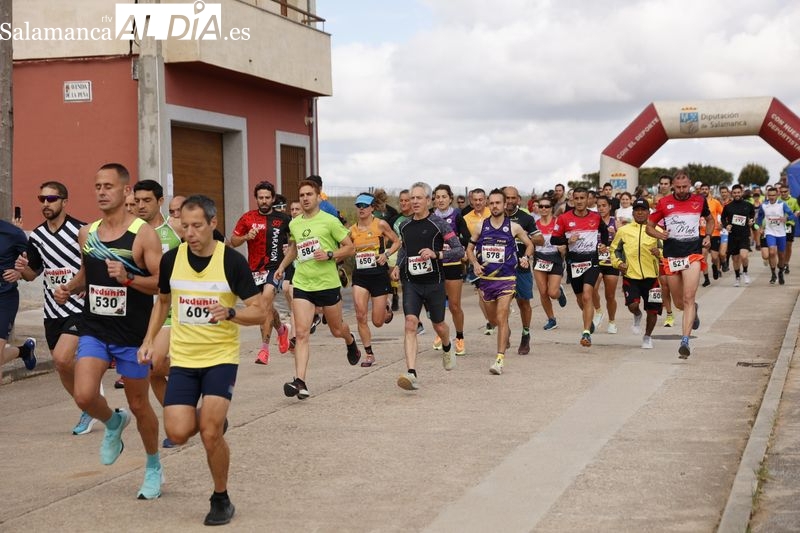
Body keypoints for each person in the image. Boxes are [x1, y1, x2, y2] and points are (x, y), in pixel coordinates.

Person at [137, 194, 264, 526]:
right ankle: (212, 419)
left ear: (212, 224)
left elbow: (260, 311)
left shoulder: (231, 262)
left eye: (196, 226)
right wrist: (149, 339)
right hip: (184, 359)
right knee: (177, 433)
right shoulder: (171, 260)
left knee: (209, 434)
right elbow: (162, 302)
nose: (189, 232)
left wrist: (232, 312)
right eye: (184, 226)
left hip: (221, 358)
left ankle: (220, 497)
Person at [53, 162, 164, 499]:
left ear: (125, 191)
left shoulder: (143, 234)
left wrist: (129, 278)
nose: (101, 192)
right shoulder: (88, 233)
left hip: (132, 334)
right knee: (85, 395)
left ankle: (153, 466)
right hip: (96, 327)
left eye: (108, 186)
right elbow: (88, 272)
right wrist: (71, 288)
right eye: (97, 186)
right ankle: (114, 422)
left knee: (140, 406)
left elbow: (161, 284)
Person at [15, 181, 92, 433]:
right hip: (52, 311)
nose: (46, 204)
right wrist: (21, 268)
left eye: (51, 199)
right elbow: (32, 274)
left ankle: (89, 396)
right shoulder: (36, 236)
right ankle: (88, 405)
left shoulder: (81, 230)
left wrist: (74, 288)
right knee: (61, 365)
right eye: (42, 199)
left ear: (64, 201)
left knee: (61, 356)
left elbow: (90, 266)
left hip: (79, 305)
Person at [275, 179, 360, 400]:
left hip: (327, 284)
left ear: (317, 196)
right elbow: (294, 248)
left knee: (336, 329)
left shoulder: (330, 221)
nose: (304, 198)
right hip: (303, 283)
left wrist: (330, 254)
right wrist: (282, 267)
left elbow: (350, 247)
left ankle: (350, 341)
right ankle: (300, 382)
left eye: (308, 194)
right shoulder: (295, 223)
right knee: (301, 333)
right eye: (301, 195)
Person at [391, 182, 465, 390]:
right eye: (411, 198)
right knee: (410, 323)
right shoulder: (404, 225)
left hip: (434, 282)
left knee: (438, 324)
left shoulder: (438, 224)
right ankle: (411, 372)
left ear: (428, 200)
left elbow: (460, 251)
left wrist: (438, 254)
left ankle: (447, 345)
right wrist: (397, 266)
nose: (414, 201)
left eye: (418, 198)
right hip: (411, 282)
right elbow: (404, 249)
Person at [133, 179, 183, 447]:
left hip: (171, 308)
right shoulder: (131, 232)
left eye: (147, 201)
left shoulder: (174, 229)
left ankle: (176, 423)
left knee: (153, 363)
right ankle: (183, 415)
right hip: (141, 310)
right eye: (137, 201)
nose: (141, 206)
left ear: (161, 202)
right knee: (152, 370)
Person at [646, 170, 713, 358]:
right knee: (678, 303)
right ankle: (693, 310)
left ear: (690, 184)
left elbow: (709, 219)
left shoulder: (699, 200)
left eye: (685, 186)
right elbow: (649, 227)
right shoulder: (664, 203)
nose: (682, 190)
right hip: (672, 257)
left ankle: (685, 341)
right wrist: (660, 234)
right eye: (678, 187)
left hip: (692, 255)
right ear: (673, 186)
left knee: (688, 297)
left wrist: (707, 235)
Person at [467, 189, 533, 374]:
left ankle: (499, 360)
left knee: (502, 315)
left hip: (507, 279)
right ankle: (506, 333)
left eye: (498, 203)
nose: (495, 206)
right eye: (492, 203)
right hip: (487, 280)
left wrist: (526, 257)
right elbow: (469, 249)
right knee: (494, 320)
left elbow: (529, 244)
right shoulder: (481, 227)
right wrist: (474, 264)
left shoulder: (514, 227)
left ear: (505, 205)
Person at [229, 181, 291, 365]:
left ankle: (264, 351)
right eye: (260, 198)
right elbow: (233, 241)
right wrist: (246, 237)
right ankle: (281, 331)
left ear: (272, 198)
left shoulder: (284, 219)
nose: (264, 201)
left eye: (267, 198)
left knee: (264, 303)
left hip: (275, 268)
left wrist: (289, 250)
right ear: (256, 198)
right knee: (265, 308)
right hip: (254, 270)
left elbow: (295, 239)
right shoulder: (247, 218)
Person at [550, 187, 609, 347]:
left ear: (588, 199)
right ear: (573, 200)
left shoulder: (595, 217)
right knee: (579, 298)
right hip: (573, 262)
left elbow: (604, 232)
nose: (580, 201)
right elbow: (554, 240)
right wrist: (568, 240)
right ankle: (588, 321)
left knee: (587, 295)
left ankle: (586, 333)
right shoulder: (563, 218)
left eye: (583, 198)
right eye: (577, 198)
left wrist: (603, 244)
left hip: (592, 260)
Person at [348, 193, 400, 367]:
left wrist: (386, 254)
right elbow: (346, 249)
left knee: (377, 322)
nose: (361, 209)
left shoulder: (381, 224)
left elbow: (396, 242)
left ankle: (386, 307)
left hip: (378, 275)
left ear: (372, 208)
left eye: (365, 205)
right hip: (360, 276)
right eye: (358, 206)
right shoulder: (352, 230)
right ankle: (369, 354)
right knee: (360, 315)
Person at [610, 198, 663, 348]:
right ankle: (637, 315)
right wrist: (619, 263)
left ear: (648, 212)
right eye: (637, 210)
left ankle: (647, 337)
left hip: (652, 277)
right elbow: (614, 250)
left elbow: (668, 251)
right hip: (631, 275)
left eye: (643, 210)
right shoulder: (623, 231)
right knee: (633, 305)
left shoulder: (657, 231)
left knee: (652, 311)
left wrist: (658, 252)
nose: (640, 212)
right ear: (633, 212)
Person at [503, 186, 543, 354]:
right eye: (507, 198)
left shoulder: (525, 218)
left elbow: (540, 240)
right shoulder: (495, 215)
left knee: (523, 303)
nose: (510, 201)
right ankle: (505, 331)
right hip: (501, 268)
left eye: (513, 198)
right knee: (502, 304)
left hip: (521, 266)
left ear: (518, 199)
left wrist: (524, 236)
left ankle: (525, 335)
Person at [432, 184, 471, 355]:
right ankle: (441, 333)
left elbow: (467, 238)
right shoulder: (431, 217)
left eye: (443, 197)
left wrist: (454, 244)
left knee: (454, 305)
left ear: (450, 198)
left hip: (453, 263)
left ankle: (460, 337)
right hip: (435, 265)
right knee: (437, 304)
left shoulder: (457, 215)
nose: (440, 200)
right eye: (437, 197)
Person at [0, 217, 37, 382]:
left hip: (4, 299)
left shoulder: (13, 233)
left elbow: (35, 266)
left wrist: (19, 273)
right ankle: (24, 351)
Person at [531, 195, 568, 331]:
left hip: (555, 258)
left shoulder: (558, 222)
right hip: (540, 258)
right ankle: (551, 319)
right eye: (541, 206)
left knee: (552, 292)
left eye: (547, 206)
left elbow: (566, 239)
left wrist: (563, 246)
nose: (544, 209)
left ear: (552, 208)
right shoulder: (534, 224)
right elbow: (529, 240)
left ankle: (559, 293)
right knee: (543, 292)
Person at [462, 188, 494, 334]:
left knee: (496, 291)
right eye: (475, 200)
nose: (478, 202)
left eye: (480, 199)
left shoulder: (493, 212)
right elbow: (466, 241)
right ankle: (490, 321)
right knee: (482, 292)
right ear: (471, 201)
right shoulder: (466, 218)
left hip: (496, 257)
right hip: (477, 258)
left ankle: (498, 314)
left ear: (485, 200)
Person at [754, 186, 796, 285]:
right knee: (772, 252)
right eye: (770, 195)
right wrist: (760, 227)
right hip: (770, 232)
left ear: (777, 195)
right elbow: (760, 217)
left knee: (781, 255)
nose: (772, 197)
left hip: (781, 233)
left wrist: (786, 218)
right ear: (767, 195)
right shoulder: (764, 205)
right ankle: (773, 274)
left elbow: (792, 215)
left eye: (773, 195)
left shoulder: (782, 204)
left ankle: (780, 271)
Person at [721, 184, 756, 286]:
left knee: (744, 256)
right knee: (735, 259)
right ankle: (737, 277)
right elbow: (723, 218)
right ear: (732, 193)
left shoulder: (748, 205)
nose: (736, 194)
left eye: (738, 192)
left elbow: (752, 215)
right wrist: (726, 225)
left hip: (744, 234)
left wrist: (751, 221)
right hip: (733, 235)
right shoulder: (728, 207)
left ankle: (745, 272)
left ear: (742, 193)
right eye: (735, 192)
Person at [594, 195, 619, 334]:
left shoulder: (615, 222)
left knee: (610, 295)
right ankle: (598, 311)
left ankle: (612, 321)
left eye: (604, 205)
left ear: (610, 207)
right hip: (596, 260)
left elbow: (622, 242)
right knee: (592, 287)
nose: (601, 208)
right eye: (599, 206)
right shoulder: (593, 221)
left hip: (611, 261)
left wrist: (614, 234)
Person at [698, 183, 724, 286]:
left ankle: (715, 266)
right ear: (700, 190)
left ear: (709, 190)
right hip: (702, 233)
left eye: (706, 189)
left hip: (714, 233)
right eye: (702, 189)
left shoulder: (715, 202)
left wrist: (722, 224)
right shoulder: (697, 202)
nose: (704, 191)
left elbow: (723, 214)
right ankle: (706, 278)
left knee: (714, 256)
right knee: (703, 256)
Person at [779, 184, 800, 273]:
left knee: (788, 245)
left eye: (785, 191)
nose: (783, 193)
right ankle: (781, 261)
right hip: (778, 225)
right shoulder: (777, 200)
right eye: (782, 192)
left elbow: (798, 210)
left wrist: (796, 213)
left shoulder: (794, 200)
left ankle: (786, 263)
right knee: (779, 246)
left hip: (789, 225)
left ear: (789, 191)